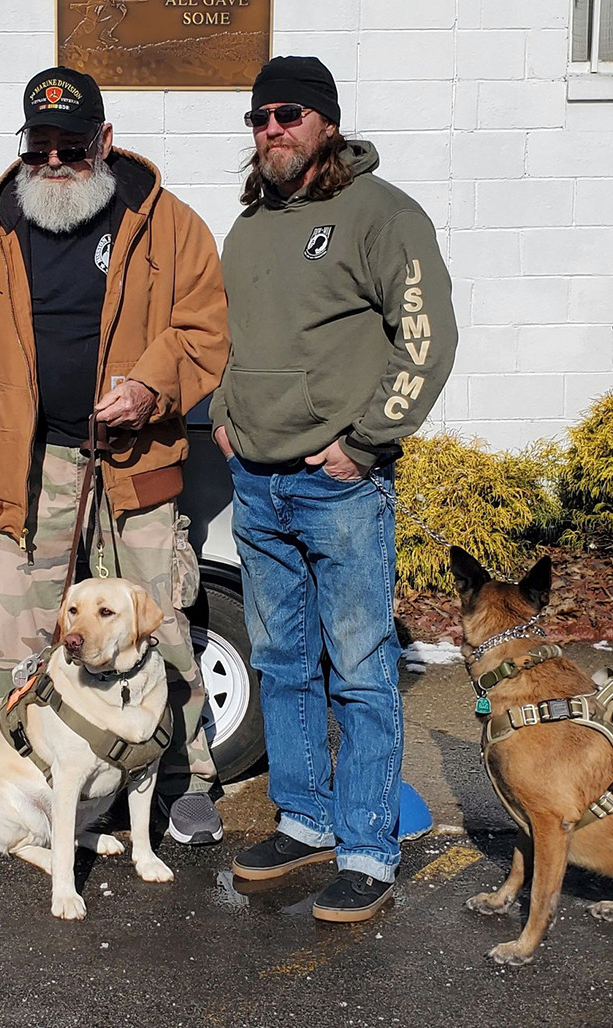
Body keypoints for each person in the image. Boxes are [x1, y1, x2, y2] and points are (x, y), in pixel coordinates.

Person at [0, 67, 231, 846]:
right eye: (42, 144)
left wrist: (151, 387)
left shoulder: (170, 226)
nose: (55, 160)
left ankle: (184, 780)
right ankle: (10, 778)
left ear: (106, 141)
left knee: (158, 626)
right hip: (25, 468)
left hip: (134, 466)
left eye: (73, 144)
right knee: (17, 635)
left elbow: (204, 331)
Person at [210, 56, 458, 921]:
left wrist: (367, 442)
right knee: (281, 663)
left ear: (325, 122)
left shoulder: (381, 215)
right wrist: (223, 411)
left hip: (338, 486)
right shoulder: (250, 226)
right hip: (258, 485)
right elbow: (236, 340)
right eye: (259, 118)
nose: (270, 129)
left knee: (358, 669)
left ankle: (366, 849)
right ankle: (308, 817)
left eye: (287, 114)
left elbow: (425, 338)